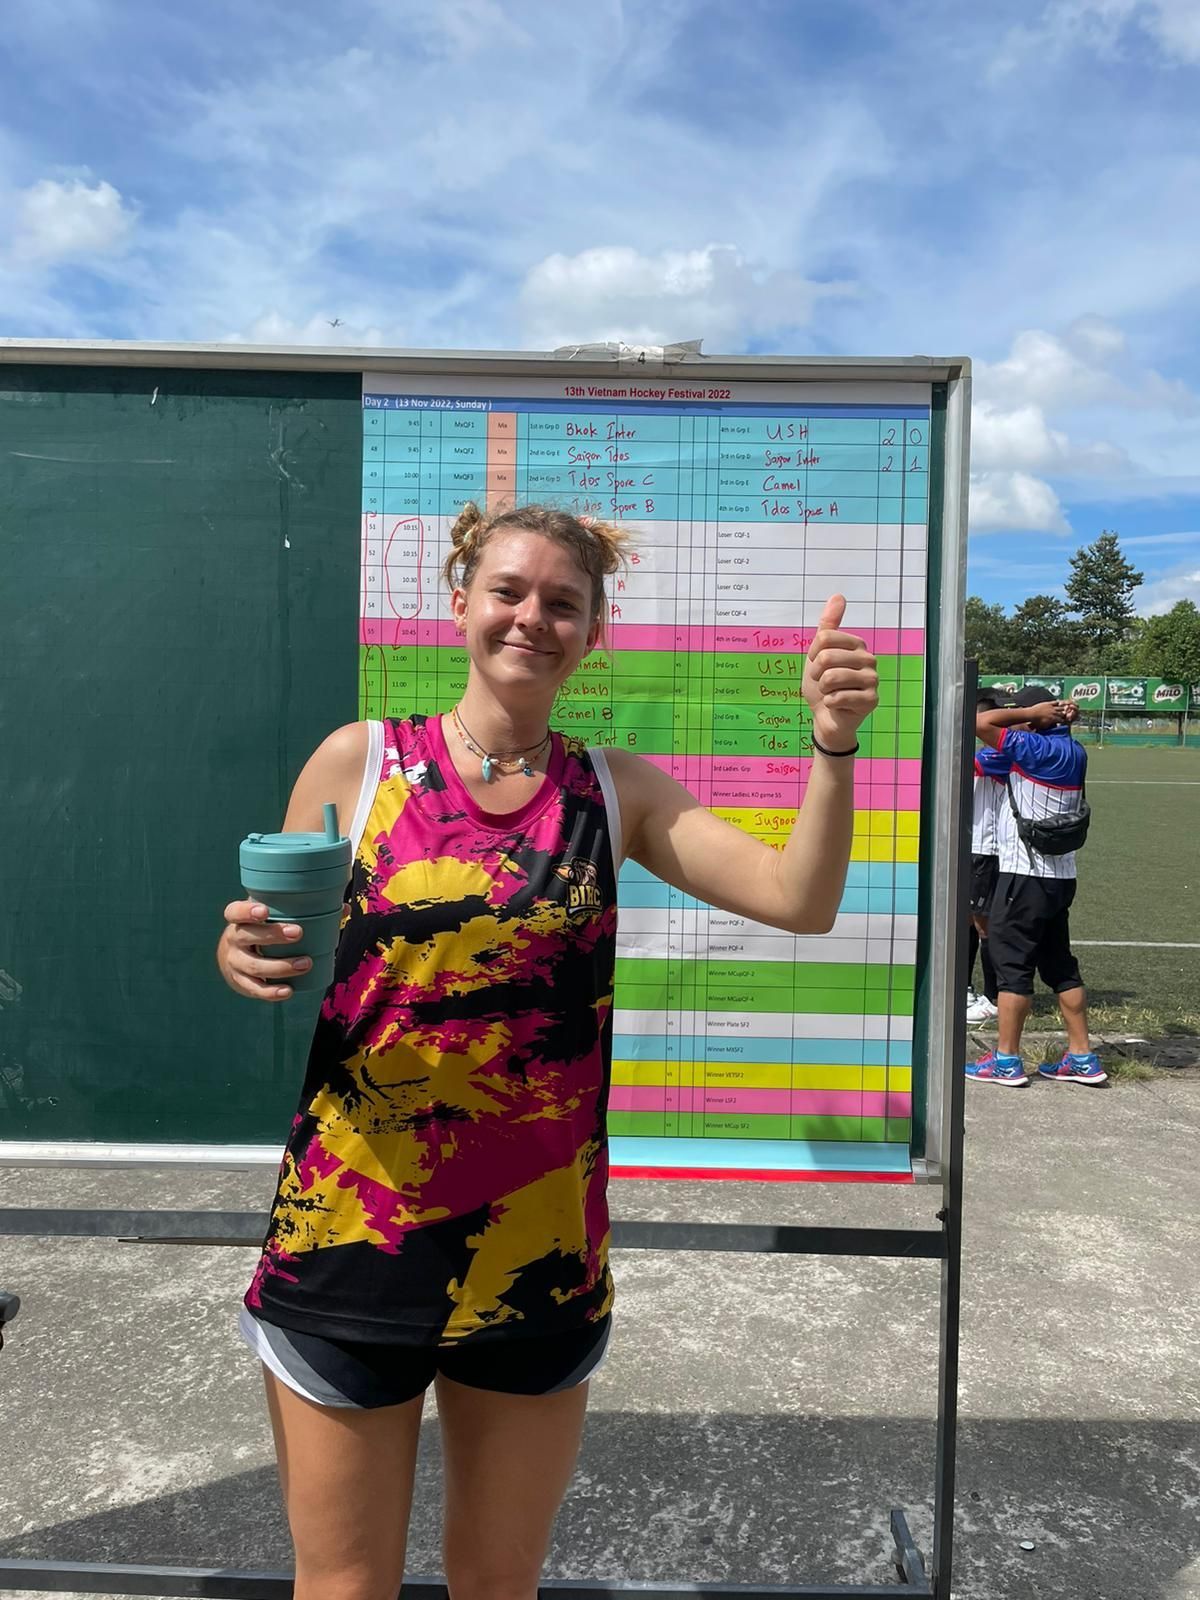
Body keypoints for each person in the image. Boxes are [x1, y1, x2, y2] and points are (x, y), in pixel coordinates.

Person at [216, 501, 880, 1600]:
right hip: (348, 1242)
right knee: (340, 1585)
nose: (533, 617)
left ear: (594, 629)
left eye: (563, 602)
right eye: (510, 591)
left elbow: (799, 900)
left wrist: (833, 746)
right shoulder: (360, 761)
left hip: (539, 1259)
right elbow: (281, 940)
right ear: (458, 602)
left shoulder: (615, 790)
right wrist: (241, 950)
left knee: (498, 1584)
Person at [966, 685, 1105, 1087]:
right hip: (1061, 879)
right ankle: (1082, 1057)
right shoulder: (1074, 752)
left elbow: (980, 724)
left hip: (1022, 879)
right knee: (1062, 967)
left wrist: (1034, 715)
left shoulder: (1031, 749)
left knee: (1013, 972)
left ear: (1039, 717)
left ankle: (1006, 1060)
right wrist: (1051, 717)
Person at [965, 689, 1010, 1025]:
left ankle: (994, 997)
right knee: (966, 922)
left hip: (987, 849)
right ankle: (964, 989)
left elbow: (966, 765)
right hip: (969, 847)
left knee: (985, 925)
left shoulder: (996, 752)